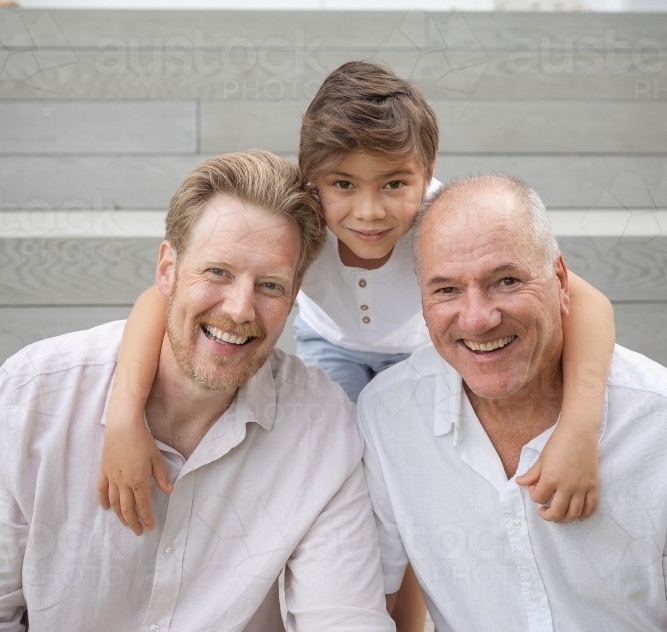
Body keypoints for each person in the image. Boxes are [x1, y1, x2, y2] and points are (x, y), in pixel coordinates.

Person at [98, 63, 615, 632]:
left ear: (428, 174)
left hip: (427, 348)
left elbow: (586, 302)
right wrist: (124, 420)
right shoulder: (300, 220)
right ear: (313, 178)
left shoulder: (441, 220)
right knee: (350, 476)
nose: (369, 211)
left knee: (419, 481)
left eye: (394, 184)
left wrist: (578, 430)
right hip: (334, 344)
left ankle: (412, 619)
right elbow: (159, 299)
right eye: (343, 184)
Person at [0, 151, 395, 632]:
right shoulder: (34, 396)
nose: (240, 309)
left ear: (293, 297)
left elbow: (344, 620)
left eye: (269, 285)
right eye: (217, 273)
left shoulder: (320, 427)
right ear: (167, 269)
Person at [358, 174, 667, 630]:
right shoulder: (388, 417)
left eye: (505, 280)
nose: (478, 318)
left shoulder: (655, 422)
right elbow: (368, 606)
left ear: (561, 280)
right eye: (446, 290)